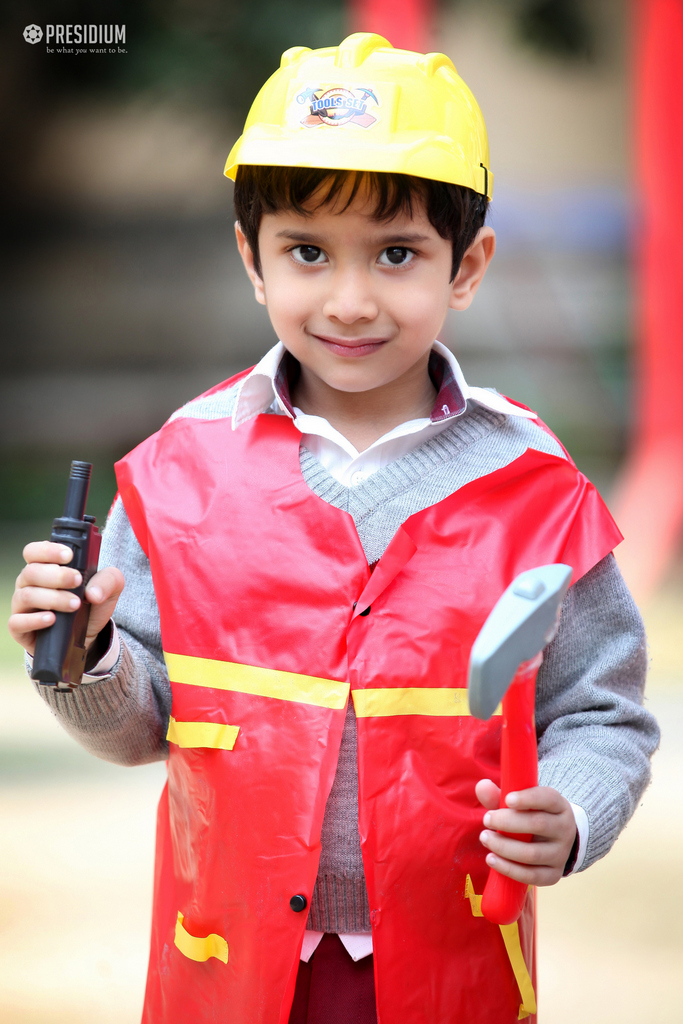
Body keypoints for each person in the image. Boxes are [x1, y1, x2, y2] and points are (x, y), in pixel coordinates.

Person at [8, 32, 658, 1024]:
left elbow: (599, 715)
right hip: (224, 960)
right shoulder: (180, 470)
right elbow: (143, 726)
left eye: (395, 254)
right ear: (252, 258)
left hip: (448, 964)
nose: (349, 300)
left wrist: (571, 811)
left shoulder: (536, 487)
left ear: (466, 265)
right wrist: (85, 657)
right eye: (307, 252)